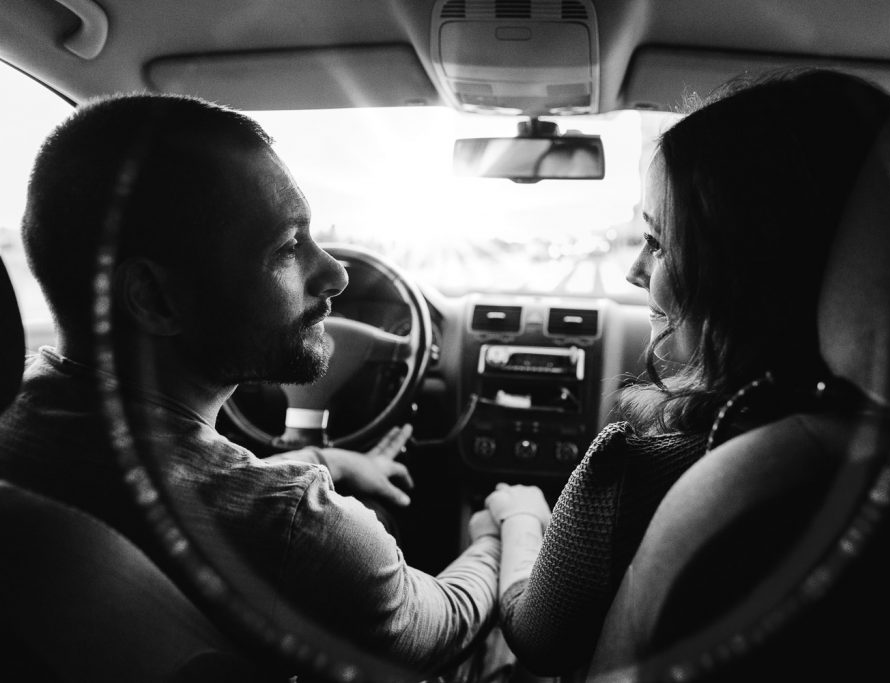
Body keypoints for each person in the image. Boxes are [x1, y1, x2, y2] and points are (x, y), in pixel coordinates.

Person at [0, 93, 550, 678]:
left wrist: (326, 460)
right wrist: (509, 528)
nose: (335, 273)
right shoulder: (292, 526)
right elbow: (444, 624)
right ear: (155, 299)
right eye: (288, 247)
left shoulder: (15, 426)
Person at [485, 69, 890, 676]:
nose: (633, 271)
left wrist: (516, 518)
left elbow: (536, 636)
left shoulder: (642, 470)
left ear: (739, 273)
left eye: (656, 243)